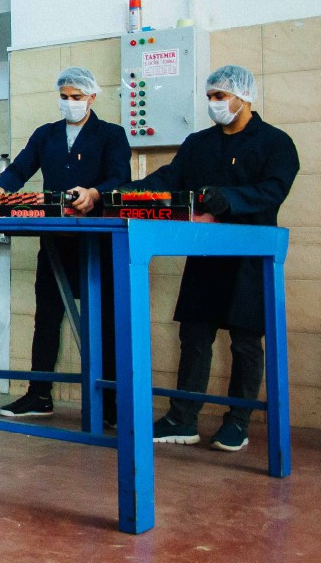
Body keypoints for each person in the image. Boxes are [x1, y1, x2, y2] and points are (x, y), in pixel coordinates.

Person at [126, 65, 299, 452]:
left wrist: (230, 199)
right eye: (210, 97)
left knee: (246, 342)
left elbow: (274, 189)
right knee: (194, 336)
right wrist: (126, 192)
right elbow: (169, 177)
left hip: (250, 256)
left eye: (220, 96)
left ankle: (238, 421)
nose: (214, 104)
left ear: (244, 97)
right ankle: (182, 418)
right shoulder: (199, 143)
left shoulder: (275, 143)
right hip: (206, 253)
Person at [0, 67, 131, 423]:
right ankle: (39, 394)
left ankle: (111, 403)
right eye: (64, 97)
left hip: (97, 241)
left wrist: (95, 193)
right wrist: (2, 189)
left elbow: (121, 178)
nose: (70, 103)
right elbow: (19, 168)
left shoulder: (111, 135)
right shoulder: (46, 135)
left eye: (76, 97)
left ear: (92, 97)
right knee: (47, 317)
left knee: (105, 320)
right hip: (56, 241)